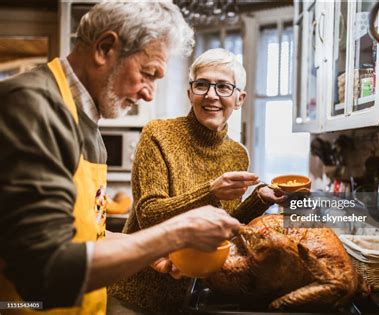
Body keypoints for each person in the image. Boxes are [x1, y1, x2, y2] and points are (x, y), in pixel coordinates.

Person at [0, 3, 241, 315]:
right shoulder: (33, 107)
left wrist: (150, 252)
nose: (149, 94)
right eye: (148, 74)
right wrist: (175, 232)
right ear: (104, 48)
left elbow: (88, 232)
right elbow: (44, 272)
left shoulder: (85, 118)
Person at [109, 48, 285, 312]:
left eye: (224, 86)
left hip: (195, 292)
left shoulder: (237, 154)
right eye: (202, 84)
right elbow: (149, 215)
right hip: (136, 293)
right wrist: (211, 191)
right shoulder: (158, 135)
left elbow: (224, 225)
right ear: (190, 93)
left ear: (240, 99)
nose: (211, 95)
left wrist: (260, 199)